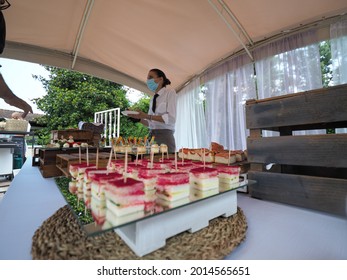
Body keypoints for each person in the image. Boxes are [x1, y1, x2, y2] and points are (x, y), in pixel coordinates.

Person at [128, 68, 177, 153]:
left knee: (166, 164)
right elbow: (150, 123)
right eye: (147, 78)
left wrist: (146, 116)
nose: (148, 80)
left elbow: (171, 118)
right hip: (152, 137)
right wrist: (138, 118)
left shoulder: (170, 93)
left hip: (165, 137)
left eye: (151, 77)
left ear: (161, 79)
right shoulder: (153, 99)